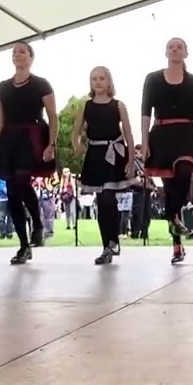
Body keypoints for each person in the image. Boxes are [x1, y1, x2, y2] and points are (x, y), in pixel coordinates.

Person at [140, 37, 193, 264]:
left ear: (186, 53)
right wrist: (145, 142)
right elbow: (145, 113)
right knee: (170, 190)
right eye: (171, 46)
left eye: (179, 47)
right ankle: (177, 245)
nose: (175, 49)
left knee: (184, 173)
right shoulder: (152, 79)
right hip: (161, 135)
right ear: (166, 52)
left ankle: (172, 215)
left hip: (187, 134)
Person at [0, 42, 57, 265]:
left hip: (31, 137)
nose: (18, 55)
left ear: (31, 57)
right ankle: (23, 245)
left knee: (21, 180)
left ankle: (37, 223)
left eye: (22, 51)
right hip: (9, 139)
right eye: (14, 52)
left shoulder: (41, 84)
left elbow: (53, 116)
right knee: (11, 192)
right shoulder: (2, 88)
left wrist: (51, 144)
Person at [72, 66, 137, 265]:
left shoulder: (118, 105)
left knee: (109, 197)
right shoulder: (87, 106)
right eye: (94, 79)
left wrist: (131, 160)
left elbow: (128, 134)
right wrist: (77, 145)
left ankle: (113, 241)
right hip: (95, 154)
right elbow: (76, 131)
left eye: (101, 78)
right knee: (101, 201)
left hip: (114, 154)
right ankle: (107, 245)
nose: (98, 82)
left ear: (109, 82)